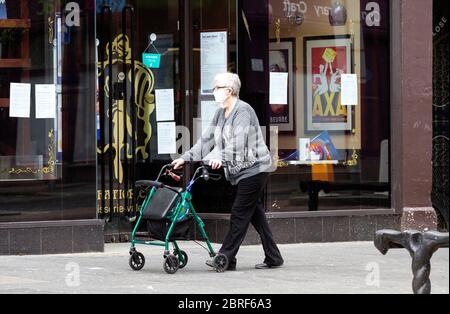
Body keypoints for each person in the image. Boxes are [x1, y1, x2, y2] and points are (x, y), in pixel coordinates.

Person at [172, 73, 284, 271]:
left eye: (216, 88)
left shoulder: (243, 110)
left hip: (255, 168)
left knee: (239, 213)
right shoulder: (220, 112)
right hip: (240, 171)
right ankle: (273, 257)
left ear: (229, 91)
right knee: (255, 215)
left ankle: (225, 257)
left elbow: (238, 142)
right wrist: (185, 158)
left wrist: (220, 157)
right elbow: (206, 140)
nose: (213, 91)